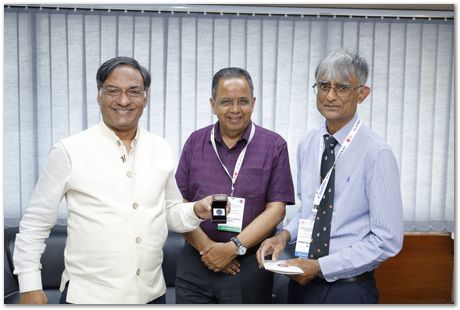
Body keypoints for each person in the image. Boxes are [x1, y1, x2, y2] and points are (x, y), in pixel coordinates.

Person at [13, 56, 225, 304]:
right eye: (113, 91)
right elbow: (35, 224)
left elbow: (169, 213)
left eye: (134, 91)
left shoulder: (160, 147)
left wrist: (196, 210)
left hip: (151, 296)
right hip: (88, 298)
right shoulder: (69, 150)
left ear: (145, 97)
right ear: (99, 96)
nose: (123, 100)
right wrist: (29, 285)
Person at [256, 49, 404, 304]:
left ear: (362, 93)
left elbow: (387, 240)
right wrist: (283, 236)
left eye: (342, 87)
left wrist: (322, 266)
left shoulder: (377, 154)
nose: (330, 96)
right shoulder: (308, 143)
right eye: (324, 85)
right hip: (301, 284)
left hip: (348, 289)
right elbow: (310, 212)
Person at [174, 67, 296, 303]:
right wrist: (208, 249)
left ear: (254, 102)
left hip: (247, 267)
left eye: (243, 101)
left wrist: (232, 248)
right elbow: (179, 204)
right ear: (212, 104)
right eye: (226, 101)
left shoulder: (274, 145)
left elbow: (276, 209)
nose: (235, 109)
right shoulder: (195, 141)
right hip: (195, 262)